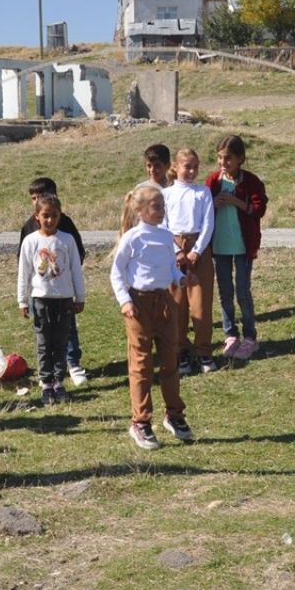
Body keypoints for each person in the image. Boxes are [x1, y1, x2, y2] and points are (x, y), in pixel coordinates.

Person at [110, 185, 193, 450]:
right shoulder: (133, 238)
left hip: (165, 303)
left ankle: (174, 415)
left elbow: (170, 269)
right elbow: (116, 273)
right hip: (139, 305)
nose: (161, 211)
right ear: (140, 209)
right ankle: (141, 422)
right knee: (142, 363)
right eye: (156, 206)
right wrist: (125, 302)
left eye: (162, 206)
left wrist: (182, 278)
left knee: (171, 359)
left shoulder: (166, 237)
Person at [19, 177, 89, 386]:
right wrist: (23, 297)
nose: (49, 219)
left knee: (67, 331)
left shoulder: (65, 227)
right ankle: (46, 374)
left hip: (64, 291)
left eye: (41, 196)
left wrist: (74, 287)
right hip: (40, 293)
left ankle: (72, 363)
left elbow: (77, 256)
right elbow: (23, 264)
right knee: (44, 336)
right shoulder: (29, 229)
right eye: (34, 198)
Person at [205, 135, 268, 361]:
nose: (223, 163)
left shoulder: (250, 181)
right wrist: (213, 204)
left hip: (243, 247)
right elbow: (202, 211)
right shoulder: (212, 181)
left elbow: (259, 209)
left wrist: (235, 202)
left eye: (228, 158)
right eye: (220, 158)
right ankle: (230, 334)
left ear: (240, 159)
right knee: (225, 292)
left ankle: (250, 336)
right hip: (220, 247)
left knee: (242, 291)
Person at [164, 148, 218, 374]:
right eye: (187, 166)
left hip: (199, 249)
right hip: (173, 248)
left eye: (195, 167)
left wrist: (196, 250)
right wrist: (177, 250)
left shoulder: (202, 192)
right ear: (175, 167)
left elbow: (208, 223)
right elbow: (163, 224)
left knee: (201, 304)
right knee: (177, 305)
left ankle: (204, 351)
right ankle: (181, 352)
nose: (192, 171)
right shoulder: (166, 195)